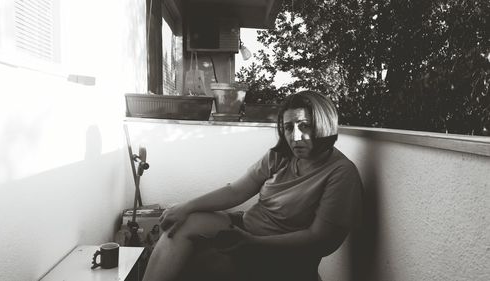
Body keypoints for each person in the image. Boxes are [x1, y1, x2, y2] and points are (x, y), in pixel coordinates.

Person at [142, 90, 363, 281]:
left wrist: (254, 243)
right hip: (246, 227)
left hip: (282, 253)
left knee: (201, 264)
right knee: (179, 222)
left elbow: (319, 240)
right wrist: (185, 207)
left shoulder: (341, 173)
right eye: (288, 127)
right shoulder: (280, 157)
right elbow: (236, 191)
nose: (295, 137)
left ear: (324, 125)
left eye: (305, 126)